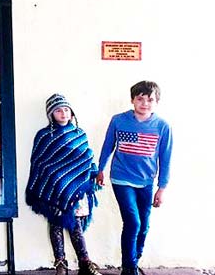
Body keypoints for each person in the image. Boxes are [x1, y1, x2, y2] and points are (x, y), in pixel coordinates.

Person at [97, 81, 172, 275]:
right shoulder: (118, 120)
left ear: (157, 102)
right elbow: (108, 146)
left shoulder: (163, 126)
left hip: (146, 182)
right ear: (132, 100)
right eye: (140, 98)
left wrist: (162, 188)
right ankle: (129, 268)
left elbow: (165, 158)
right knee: (133, 222)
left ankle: (134, 258)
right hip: (121, 179)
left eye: (150, 99)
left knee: (144, 225)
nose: (145, 103)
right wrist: (100, 169)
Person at [26, 94, 102, 275]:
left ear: (71, 112)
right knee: (55, 224)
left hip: (76, 189)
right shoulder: (44, 136)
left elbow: (87, 158)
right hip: (54, 190)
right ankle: (61, 263)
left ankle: (85, 262)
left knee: (75, 224)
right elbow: (40, 163)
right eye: (58, 110)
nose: (63, 113)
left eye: (66, 109)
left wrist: (94, 173)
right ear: (51, 114)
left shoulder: (79, 133)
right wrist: (56, 180)